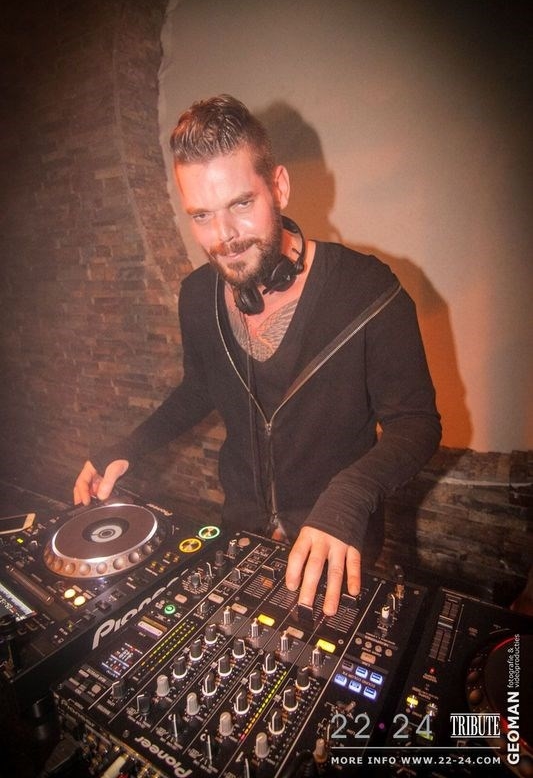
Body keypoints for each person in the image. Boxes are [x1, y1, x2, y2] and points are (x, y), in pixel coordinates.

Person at [74, 95, 441, 616]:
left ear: (279, 187)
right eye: (201, 215)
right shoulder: (197, 297)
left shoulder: (368, 291)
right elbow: (198, 388)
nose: (223, 237)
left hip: (336, 542)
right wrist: (127, 447)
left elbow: (416, 423)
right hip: (240, 531)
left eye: (241, 204)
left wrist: (349, 495)